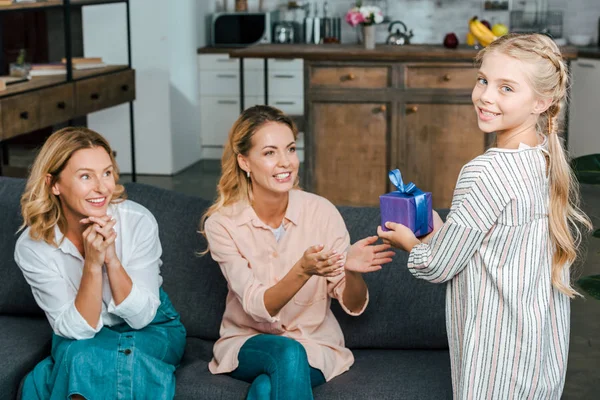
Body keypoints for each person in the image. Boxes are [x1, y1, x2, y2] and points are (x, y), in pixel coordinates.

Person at [378, 33, 592, 399]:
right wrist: (440, 227)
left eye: (506, 88)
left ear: (542, 101)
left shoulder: (484, 172)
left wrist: (409, 243)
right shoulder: (542, 159)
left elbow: (438, 266)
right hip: (537, 349)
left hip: (495, 355)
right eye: (483, 80)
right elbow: (485, 245)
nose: (486, 96)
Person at [200, 105, 394, 399]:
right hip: (247, 343)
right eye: (269, 153)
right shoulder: (222, 224)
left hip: (315, 345)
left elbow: (352, 303)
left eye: (290, 149)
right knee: (286, 352)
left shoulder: (321, 212)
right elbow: (256, 305)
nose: (286, 162)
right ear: (244, 161)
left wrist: (351, 273)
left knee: (266, 389)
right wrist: (302, 270)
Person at [15, 127, 186, 400]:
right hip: (80, 333)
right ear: (53, 183)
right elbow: (76, 330)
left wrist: (111, 259)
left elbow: (142, 316)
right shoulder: (32, 246)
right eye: (86, 176)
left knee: (81, 362)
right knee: (85, 355)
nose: (102, 187)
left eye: (107, 173)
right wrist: (92, 266)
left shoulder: (137, 221)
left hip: (152, 328)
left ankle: (54, 377)